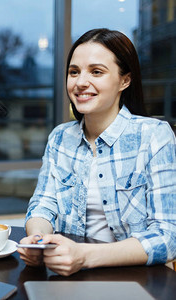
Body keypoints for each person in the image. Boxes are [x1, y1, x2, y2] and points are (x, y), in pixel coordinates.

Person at [17, 28, 176, 276]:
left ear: (125, 80)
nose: (80, 82)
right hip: (70, 273)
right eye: (74, 72)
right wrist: (38, 241)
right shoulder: (60, 137)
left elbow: (168, 236)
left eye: (96, 72)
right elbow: (42, 204)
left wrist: (85, 256)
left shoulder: (154, 135)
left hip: (135, 279)